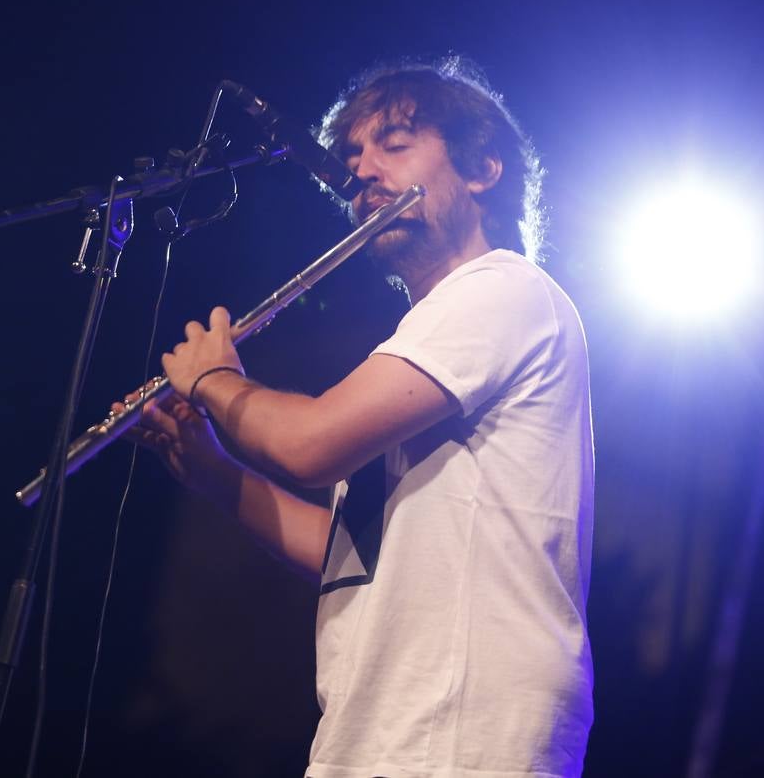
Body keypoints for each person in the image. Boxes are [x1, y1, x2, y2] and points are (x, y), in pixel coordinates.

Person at [126, 58, 594, 777]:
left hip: (464, 726)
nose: (362, 173)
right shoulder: (429, 335)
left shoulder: (502, 291)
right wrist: (220, 477)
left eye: (395, 145)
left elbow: (311, 445)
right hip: (390, 722)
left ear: (482, 170)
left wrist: (215, 379)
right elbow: (361, 557)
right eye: (351, 157)